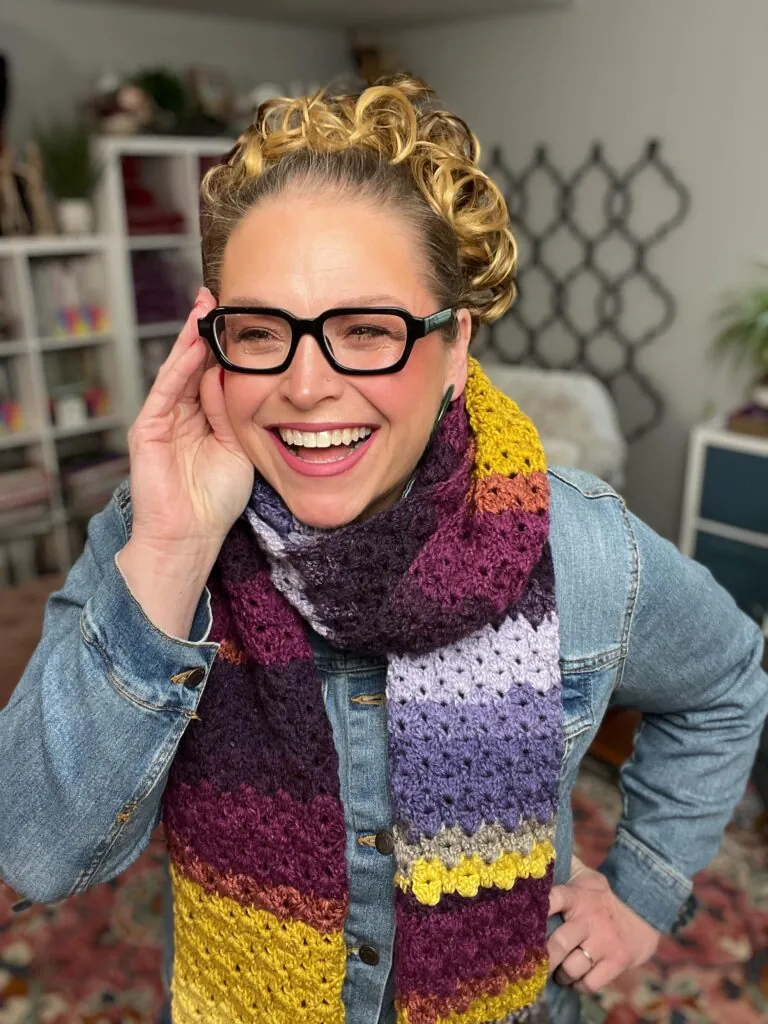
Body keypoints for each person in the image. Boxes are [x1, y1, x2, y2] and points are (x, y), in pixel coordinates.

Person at [1, 76, 766, 1024]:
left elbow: (728, 679)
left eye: (368, 330)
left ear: (454, 352)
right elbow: (38, 851)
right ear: (215, 346)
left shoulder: (578, 548)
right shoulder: (152, 539)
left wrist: (645, 890)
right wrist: (172, 546)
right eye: (262, 332)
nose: (306, 385)